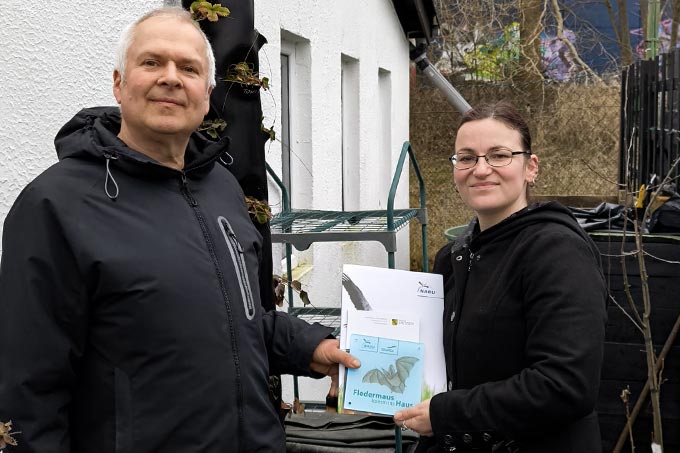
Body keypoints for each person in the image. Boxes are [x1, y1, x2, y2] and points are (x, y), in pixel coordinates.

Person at [0, 7, 358, 452]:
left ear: (206, 94)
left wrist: (309, 347)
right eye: (152, 62)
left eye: (189, 68)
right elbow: (27, 389)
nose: (171, 78)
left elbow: (235, 322)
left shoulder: (221, 188)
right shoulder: (55, 205)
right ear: (119, 82)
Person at [394, 101, 607, 452]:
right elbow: (437, 360)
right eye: (466, 157)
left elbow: (565, 386)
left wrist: (447, 413)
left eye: (499, 155)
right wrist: (361, 367)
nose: (480, 169)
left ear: (530, 168)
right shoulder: (453, 257)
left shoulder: (557, 252)